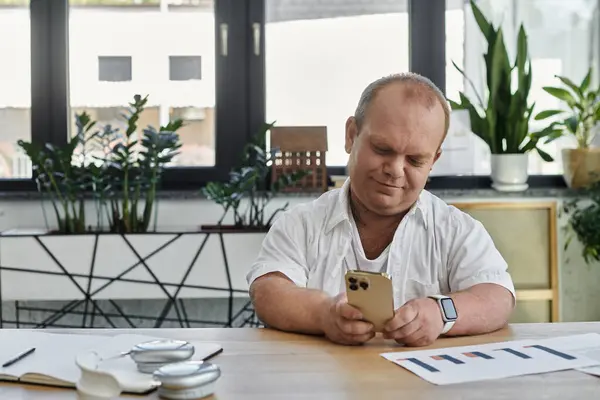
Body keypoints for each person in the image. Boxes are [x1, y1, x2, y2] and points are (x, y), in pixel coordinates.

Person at [246, 72, 515, 347]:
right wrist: (323, 314)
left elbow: (497, 297)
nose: (395, 170)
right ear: (352, 135)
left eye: (415, 159)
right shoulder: (300, 225)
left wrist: (440, 313)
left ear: (433, 160)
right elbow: (268, 291)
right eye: (382, 149)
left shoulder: (456, 230)